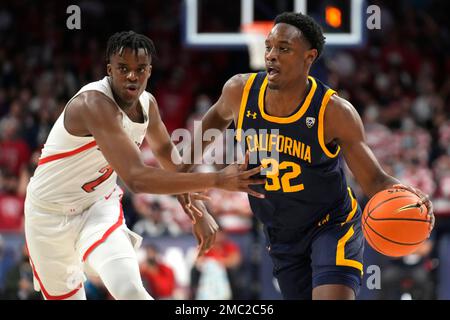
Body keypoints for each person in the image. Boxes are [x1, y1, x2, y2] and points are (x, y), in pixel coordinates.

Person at [178, 12, 435, 300]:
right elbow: (194, 148)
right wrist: (188, 196)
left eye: (284, 48)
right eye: (269, 47)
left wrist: (407, 196)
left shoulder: (334, 111)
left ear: (309, 57)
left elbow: (373, 179)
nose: (272, 55)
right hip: (281, 233)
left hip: (331, 224)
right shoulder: (240, 91)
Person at [24, 31, 265, 300]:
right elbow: (137, 179)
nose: (132, 76)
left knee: (130, 290)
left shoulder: (147, 105)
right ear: (109, 70)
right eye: (123, 68)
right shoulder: (93, 105)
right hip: (48, 214)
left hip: (97, 206)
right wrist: (217, 180)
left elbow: (172, 163)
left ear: (149, 71)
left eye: (140, 69)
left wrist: (195, 209)